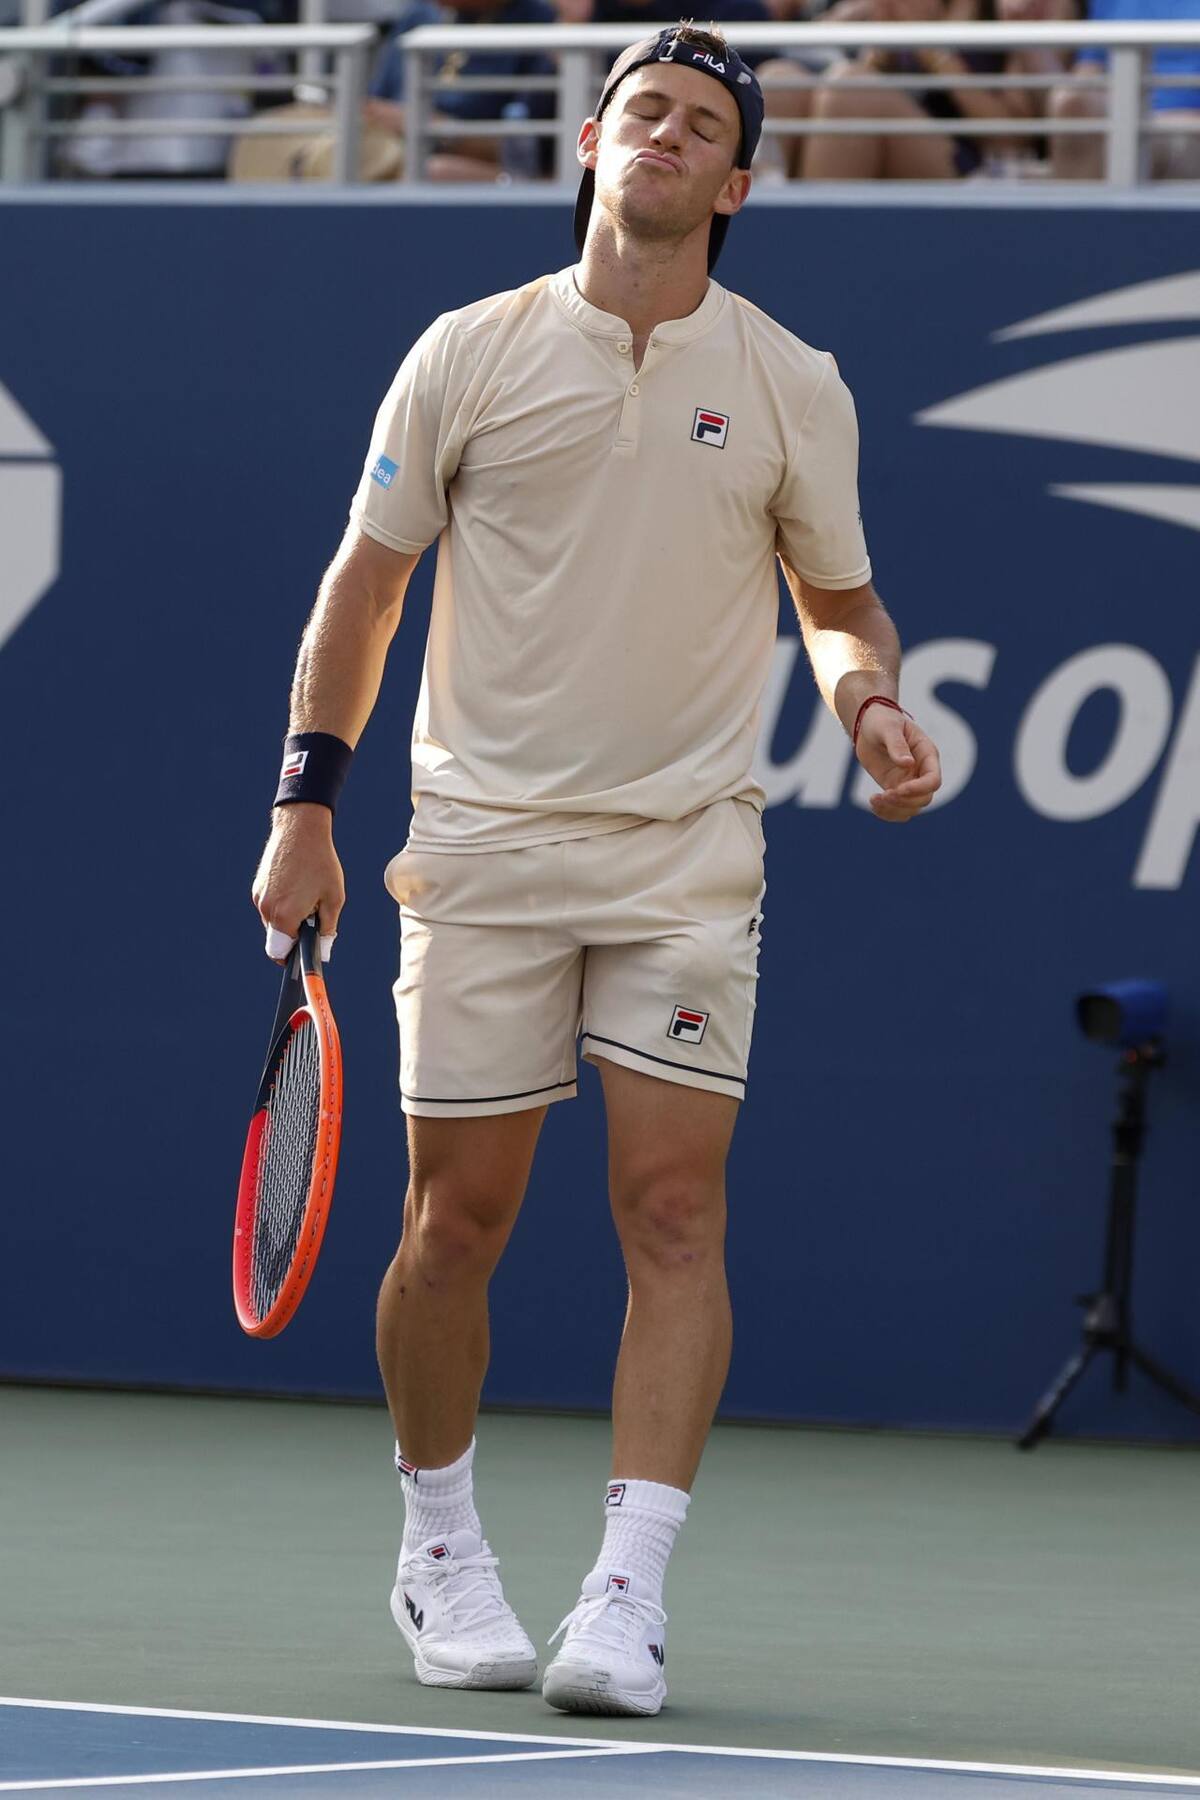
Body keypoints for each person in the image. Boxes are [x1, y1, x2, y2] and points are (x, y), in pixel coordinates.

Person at [251, 19, 942, 1718]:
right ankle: (441, 1549)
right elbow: (365, 588)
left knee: (674, 1209)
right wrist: (305, 805)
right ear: (589, 143)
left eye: (701, 124)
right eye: (642, 110)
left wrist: (867, 703)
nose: (666, 137)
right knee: (452, 1225)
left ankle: (625, 1598)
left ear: (739, 178)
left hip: (687, 860)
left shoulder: (792, 381)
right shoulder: (468, 355)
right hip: (478, 850)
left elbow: (840, 603)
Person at [367, 0, 558, 181]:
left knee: (435, 172)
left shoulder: (541, 22)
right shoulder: (419, 14)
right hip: (391, 153)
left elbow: (523, 152)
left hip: (475, 173)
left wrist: (438, 129)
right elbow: (373, 106)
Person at [1049, 0, 1200, 179]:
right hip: (1120, 115)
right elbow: (1089, 68)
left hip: (1184, 126)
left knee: (1131, 140)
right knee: (1073, 102)